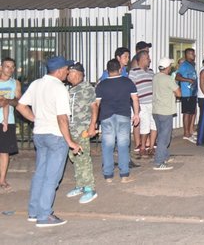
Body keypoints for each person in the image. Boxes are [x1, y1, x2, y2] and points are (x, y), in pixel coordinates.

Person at [17, 56, 80, 227]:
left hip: (39, 135)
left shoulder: (36, 84)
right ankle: (44, 215)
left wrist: (35, 119)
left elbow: (21, 105)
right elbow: (62, 118)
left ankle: (34, 211)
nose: (68, 71)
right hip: (55, 136)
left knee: (40, 174)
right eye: (67, 69)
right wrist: (71, 141)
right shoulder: (59, 88)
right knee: (52, 177)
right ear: (59, 71)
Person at [95, 58, 139, 183]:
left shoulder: (101, 85)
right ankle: (124, 175)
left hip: (106, 117)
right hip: (123, 116)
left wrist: (95, 122)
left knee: (107, 145)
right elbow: (135, 99)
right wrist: (136, 114)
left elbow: (96, 104)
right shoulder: (128, 82)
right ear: (120, 69)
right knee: (123, 145)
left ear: (107, 71)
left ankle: (108, 175)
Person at [65, 62, 99, 203]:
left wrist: (92, 125)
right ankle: (80, 185)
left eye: (70, 72)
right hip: (70, 129)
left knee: (83, 158)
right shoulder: (70, 89)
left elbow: (94, 107)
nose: (67, 75)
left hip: (82, 129)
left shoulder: (87, 88)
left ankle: (90, 188)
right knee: (75, 158)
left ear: (78, 74)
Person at [152, 57, 181, 170]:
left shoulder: (155, 77)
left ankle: (164, 156)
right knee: (165, 137)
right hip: (165, 111)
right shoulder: (168, 79)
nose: (171, 68)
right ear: (167, 67)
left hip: (156, 110)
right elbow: (179, 93)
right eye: (170, 66)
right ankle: (159, 162)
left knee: (161, 135)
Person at [128, 50, 156, 157]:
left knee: (154, 125)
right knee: (145, 126)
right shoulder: (133, 72)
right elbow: (131, 89)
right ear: (142, 59)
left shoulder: (151, 71)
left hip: (153, 103)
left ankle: (151, 146)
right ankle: (143, 147)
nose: (149, 60)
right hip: (142, 103)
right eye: (148, 58)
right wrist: (136, 105)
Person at [0, 57, 22, 191]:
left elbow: (18, 101)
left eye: (12, 66)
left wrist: (7, 100)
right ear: (1, 67)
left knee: (4, 152)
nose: (10, 69)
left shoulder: (16, 83)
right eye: (7, 66)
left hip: (8, 120)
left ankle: (2, 179)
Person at [175, 48, 197, 142]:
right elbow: (177, 76)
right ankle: (186, 134)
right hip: (186, 94)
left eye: (193, 53)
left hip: (193, 93)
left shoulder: (192, 65)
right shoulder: (184, 65)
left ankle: (189, 132)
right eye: (191, 54)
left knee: (191, 113)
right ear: (187, 55)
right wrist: (188, 80)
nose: (193, 55)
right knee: (187, 113)